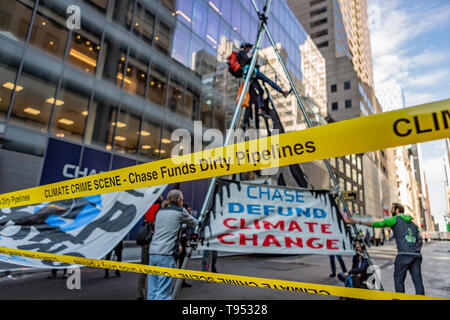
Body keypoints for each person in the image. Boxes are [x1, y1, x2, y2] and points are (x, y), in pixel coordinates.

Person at [348, 202, 425, 295]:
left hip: (403, 255)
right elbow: (420, 241)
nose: (390, 211)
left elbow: (377, 223)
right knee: (418, 282)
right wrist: (415, 250)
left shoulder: (395, 219)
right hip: (416, 255)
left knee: (398, 279)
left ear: (397, 210)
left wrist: (358, 222)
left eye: (392, 209)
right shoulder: (413, 224)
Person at [147, 190, 198, 300]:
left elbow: (168, 226)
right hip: (166, 253)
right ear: (179, 200)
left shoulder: (160, 210)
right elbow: (194, 223)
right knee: (163, 292)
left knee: (152, 290)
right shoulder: (180, 211)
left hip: (153, 252)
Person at [236, 42, 291, 119]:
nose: (248, 50)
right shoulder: (241, 53)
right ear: (245, 47)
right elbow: (247, 60)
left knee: (260, 91)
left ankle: (261, 109)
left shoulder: (240, 54)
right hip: (251, 71)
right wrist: (254, 56)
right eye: (248, 48)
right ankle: (282, 91)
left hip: (250, 73)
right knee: (267, 80)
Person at [137, 195, 163, 300]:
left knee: (143, 267)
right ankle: (155, 293)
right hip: (156, 239)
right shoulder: (161, 208)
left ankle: (140, 294)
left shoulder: (147, 206)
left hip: (146, 239)